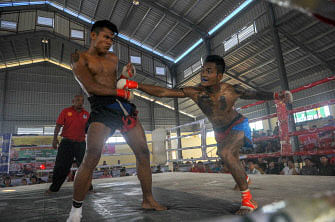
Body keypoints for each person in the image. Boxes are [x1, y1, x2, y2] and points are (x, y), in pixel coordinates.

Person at [120, 54, 292, 214]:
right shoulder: (195, 92)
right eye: (202, 70)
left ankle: (248, 200)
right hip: (219, 131)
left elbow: (255, 93)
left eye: (209, 71)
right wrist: (135, 85)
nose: (203, 74)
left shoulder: (231, 90)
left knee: (226, 153)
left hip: (237, 124)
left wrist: (278, 95)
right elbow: (164, 92)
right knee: (229, 159)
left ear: (219, 76)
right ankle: (244, 178)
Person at [66, 20, 166, 222]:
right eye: (105, 37)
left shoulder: (112, 58)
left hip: (122, 108)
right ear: (93, 35)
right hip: (101, 109)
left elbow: (112, 82)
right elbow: (92, 87)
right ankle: (75, 212)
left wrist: (124, 75)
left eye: (112, 39)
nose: (109, 42)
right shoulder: (80, 60)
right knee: (92, 155)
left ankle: (147, 199)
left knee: (143, 152)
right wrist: (122, 90)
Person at [46, 95, 91, 194]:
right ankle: (54, 188)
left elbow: (89, 130)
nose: (80, 102)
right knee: (61, 166)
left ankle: (88, 187)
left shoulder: (86, 114)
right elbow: (58, 125)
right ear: (73, 101)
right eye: (78, 100)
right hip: (66, 143)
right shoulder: (66, 111)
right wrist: (54, 139)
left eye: (82, 101)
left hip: (80, 143)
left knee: (85, 166)